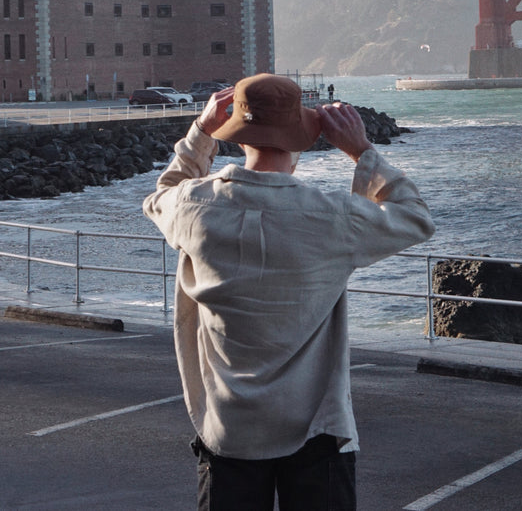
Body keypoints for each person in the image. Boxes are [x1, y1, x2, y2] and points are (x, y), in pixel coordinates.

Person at [143, 73, 434, 511]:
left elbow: (161, 193)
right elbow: (415, 218)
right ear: (299, 140)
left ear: (239, 138)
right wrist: (362, 152)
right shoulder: (331, 216)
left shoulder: (193, 205)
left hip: (228, 428)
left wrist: (200, 133)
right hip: (318, 429)